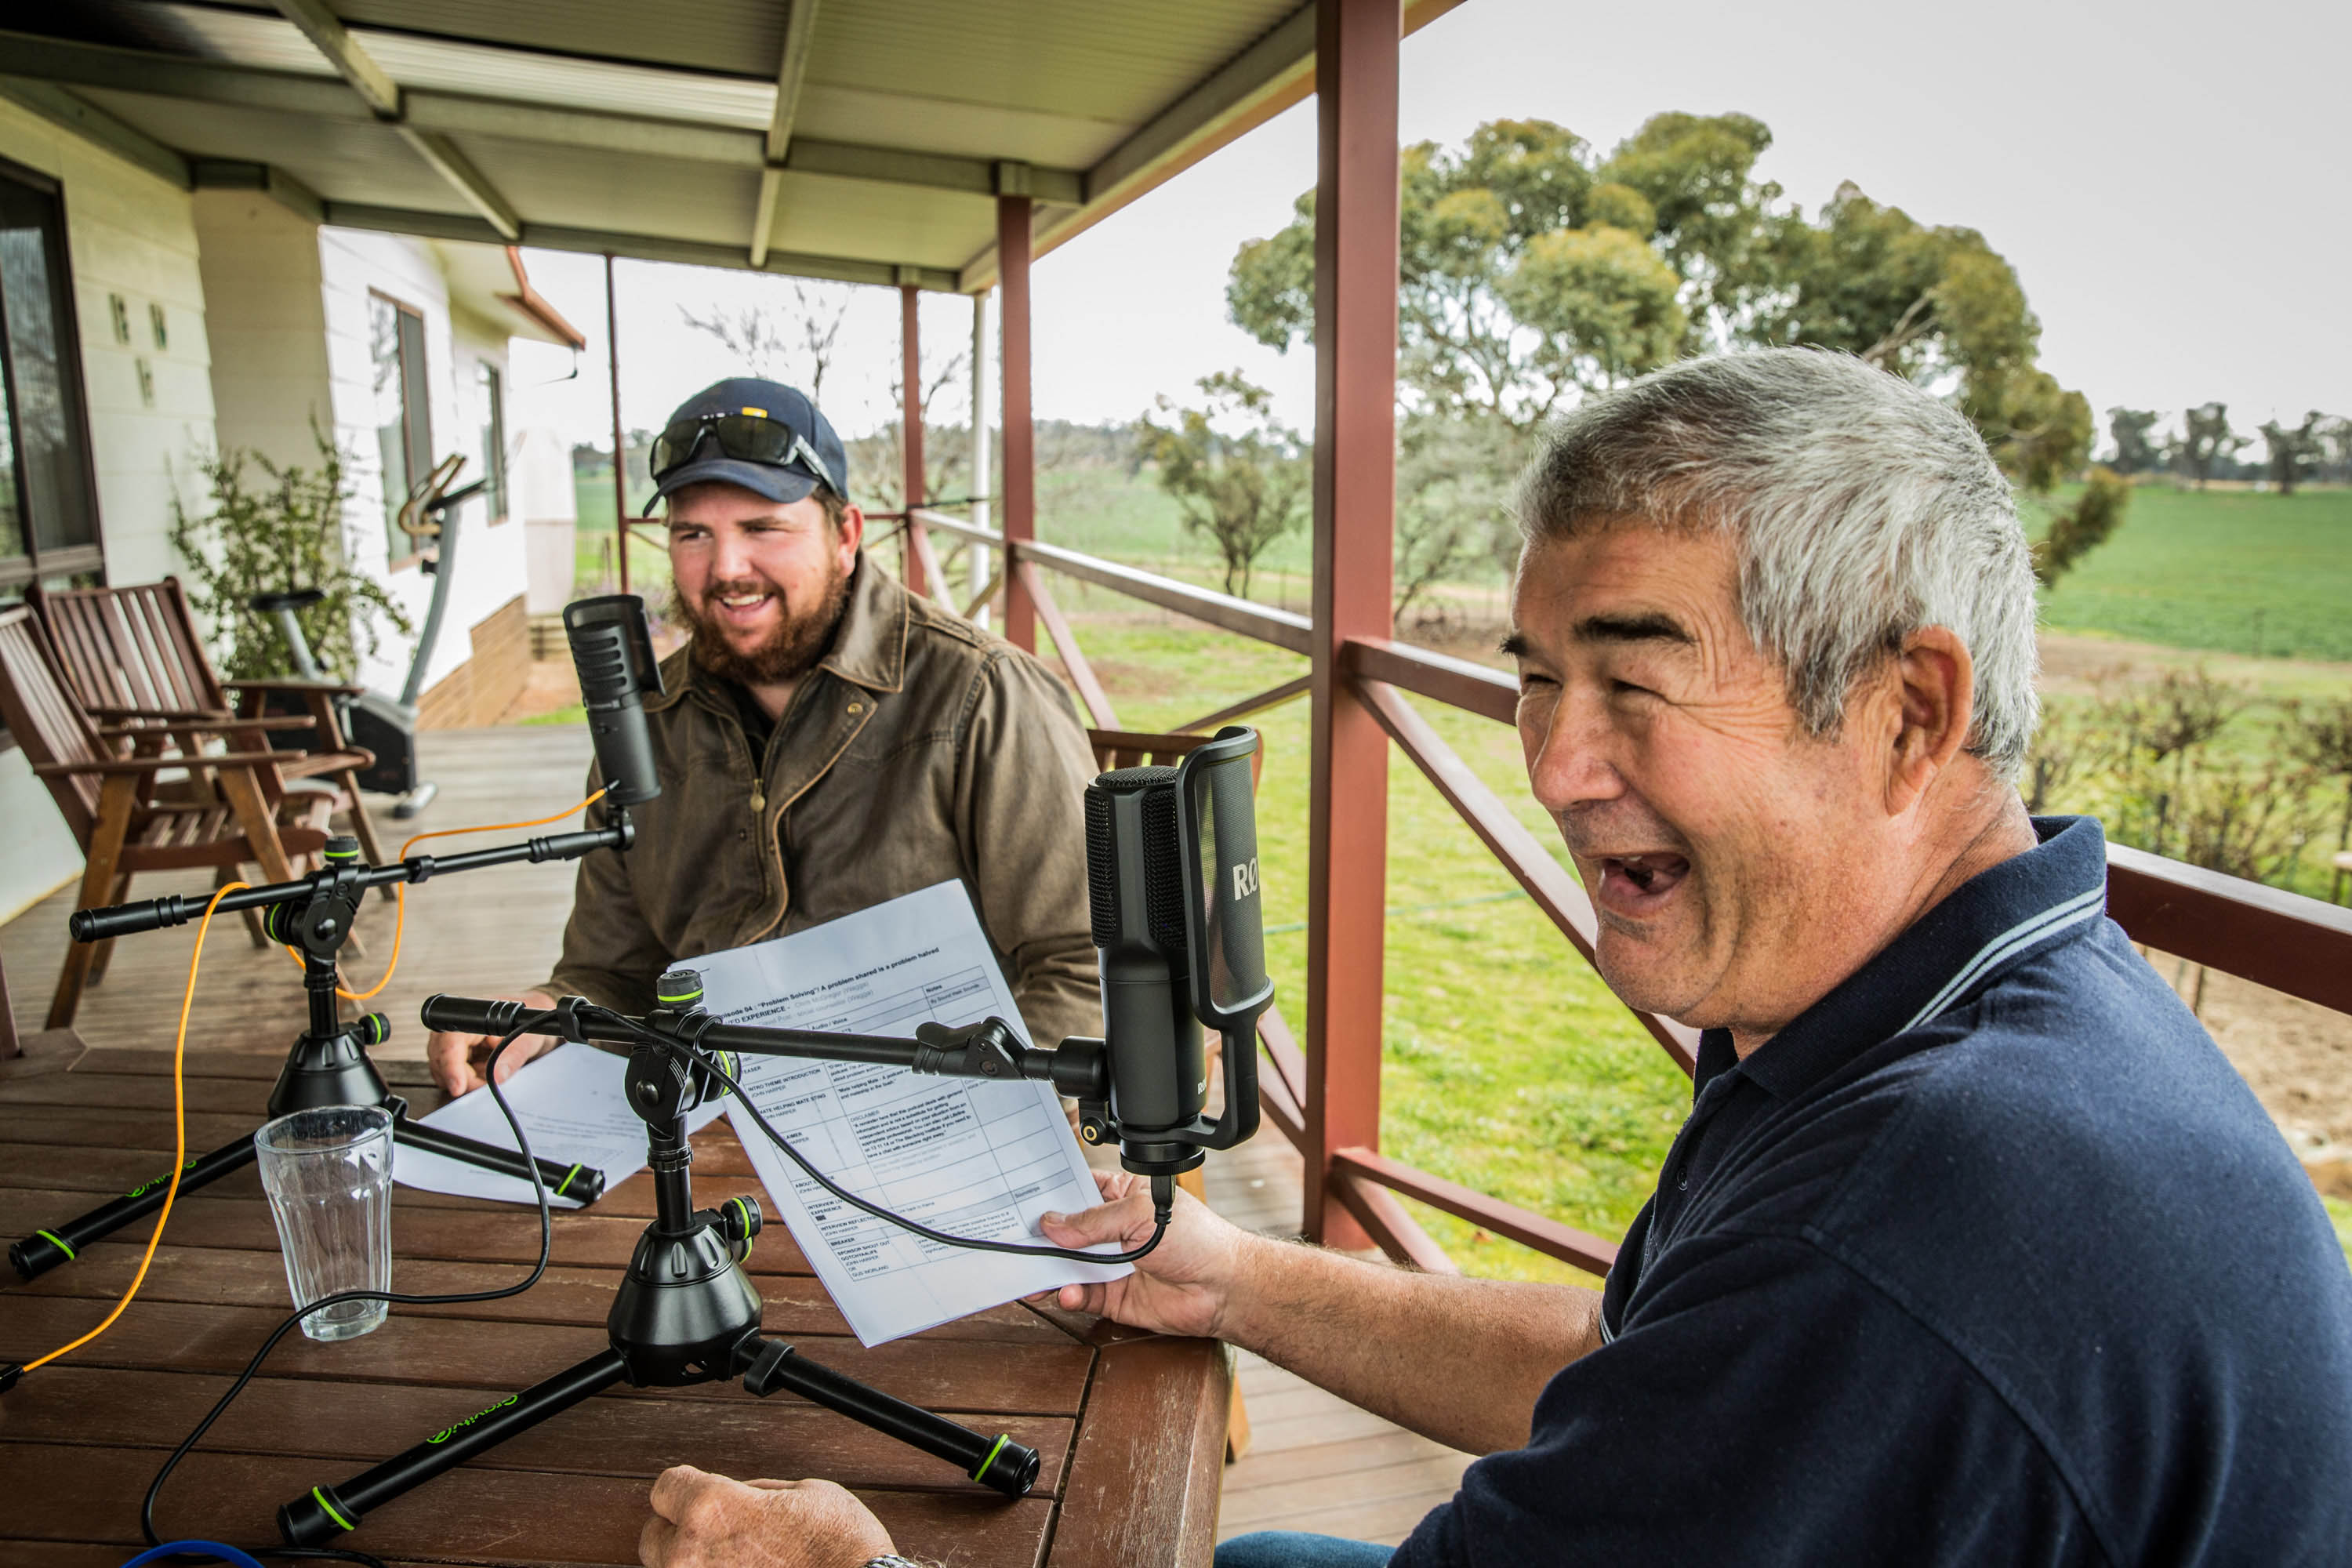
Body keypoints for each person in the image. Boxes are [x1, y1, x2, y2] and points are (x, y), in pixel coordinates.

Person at [633, 350, 2352, 1567]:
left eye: (1633, 676)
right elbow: (1650, 1367)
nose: (1552, 762)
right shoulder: (1965, 1005)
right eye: (1534, 675)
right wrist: (1232, 1279)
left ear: (1909, 712)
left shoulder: (1924, 1209)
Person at [426, 377, 1101, 1097]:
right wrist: (552, 1009)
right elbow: (612, 972)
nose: (725, 570)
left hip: (945, 1134)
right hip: (711, 1130)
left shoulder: (984, 697)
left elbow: (1087, 970)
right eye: (694, 534)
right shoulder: (645, 723)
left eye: (762, 529)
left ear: (845, 536)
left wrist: (966, 1127)